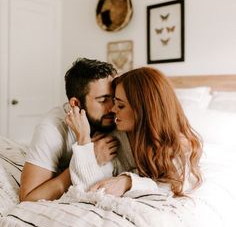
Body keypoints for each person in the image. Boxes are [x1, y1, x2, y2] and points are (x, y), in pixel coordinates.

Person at [68, 67, 203, 197]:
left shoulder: (178, 143)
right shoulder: (112, 140)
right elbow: (91, 191)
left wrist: (128, 182)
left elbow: (176, 186)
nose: (113, 110)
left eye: (120, 105)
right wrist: (84, 140)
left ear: (144, 110)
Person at [19, 58, 135, 202]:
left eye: (114, 98)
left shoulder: (120, 118)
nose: (113, 107)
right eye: (103, 100)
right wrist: (89, 158)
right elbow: (29, 197)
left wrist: (127, 181)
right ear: (75, 103)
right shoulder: (52, 128)